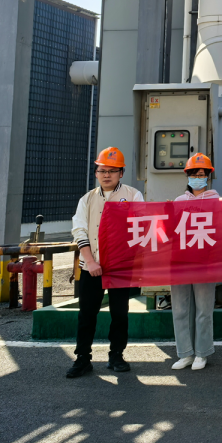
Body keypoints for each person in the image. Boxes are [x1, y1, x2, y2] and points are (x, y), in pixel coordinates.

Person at [66, 147, 144, 378]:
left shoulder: (133, 196)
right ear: (96, 173)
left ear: (121, 173)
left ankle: (116, 355)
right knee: (87, 314)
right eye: (102, 170)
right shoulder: (87, 199)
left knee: (120, 313)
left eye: (112, 170)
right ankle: (83, 358)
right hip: (91, 266)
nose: (106, 175)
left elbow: (140, 227)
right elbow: (79, 230)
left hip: (120, 267)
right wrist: (90, 261)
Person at [170, 153, 220, 371]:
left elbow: (221, 232)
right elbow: (171, 233)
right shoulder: (178, 202)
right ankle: (185, 353)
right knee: (180, 309)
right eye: (194, 174)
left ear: (208, 176)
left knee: (203, 310)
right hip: (180, 262)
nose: (198, 178)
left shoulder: (216, 201)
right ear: (187, 176)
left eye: (202, 174)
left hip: (205, 263)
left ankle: (202, 353)